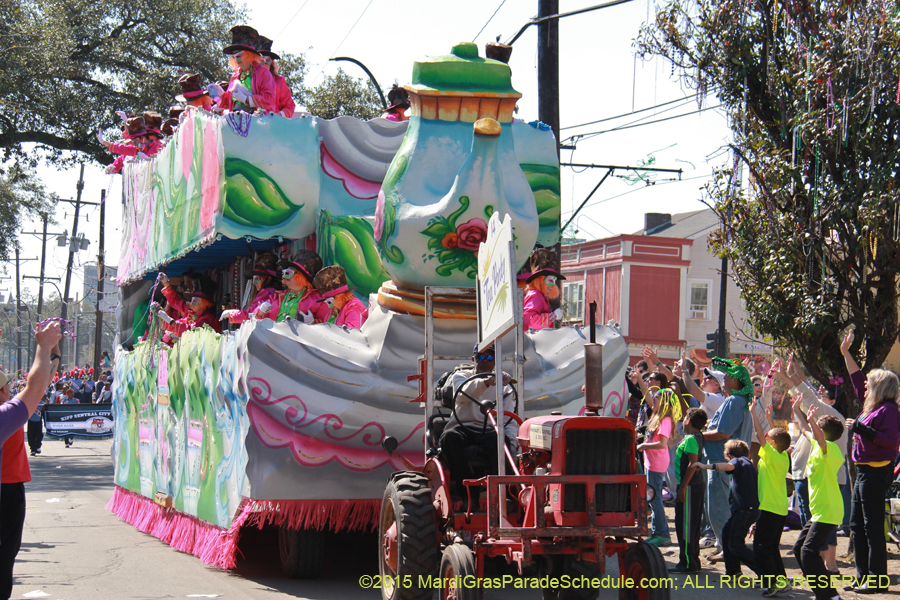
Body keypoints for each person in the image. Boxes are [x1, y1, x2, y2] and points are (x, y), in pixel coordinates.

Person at [0, 323, 61, 599]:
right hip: (9, 489)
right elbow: (37, 387)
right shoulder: (6, 417)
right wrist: (45, 348)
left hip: (9, 486)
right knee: (6, 551)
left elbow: (39, 384)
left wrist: (51, 353)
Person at [840, 330, 899, 594]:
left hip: (876, 473)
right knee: (857, 526)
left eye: (870, 383)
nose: (865, 386)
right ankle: (862, 576)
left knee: (872, 528)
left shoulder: (888, 410)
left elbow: (890, 442)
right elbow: (856, 379)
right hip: (864, 473)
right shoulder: (872, 406)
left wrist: (861, 429)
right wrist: (845, 352)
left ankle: (877, 581)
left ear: (881, 387)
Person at [438, 344, 517, 510]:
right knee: (449, 438)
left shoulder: (505, 386)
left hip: (488, 431)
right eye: (481, 357)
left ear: (495, 361)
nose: (486, 361)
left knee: (502, 441)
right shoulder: (462, 376)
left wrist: (513, 447)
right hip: (463, 428)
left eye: (490, 357)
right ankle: (468, 497)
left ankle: (498, 498)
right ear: (474, 359)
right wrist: (487, 382)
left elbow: (508, 419)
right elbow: (462, 394)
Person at [700, 357, 754, 561]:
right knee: (724, 508)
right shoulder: (740, 402)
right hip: (730, 465)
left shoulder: (733, 402)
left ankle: (727, 549)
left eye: (728, 376)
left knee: (719, 508)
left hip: (721, 463)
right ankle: (724, 546)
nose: (724, 379)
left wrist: (698, 435)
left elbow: (723, 433)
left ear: (736, 381)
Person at [791, 400, 845, 600]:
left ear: (822, 432)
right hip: (819, 510)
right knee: (799, 549)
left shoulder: (830, 449)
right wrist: (797, 410)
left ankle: (830, 595)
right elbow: (806, 429)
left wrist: (813, 420)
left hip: (828, 510)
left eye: (817, 428)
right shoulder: (817, 445)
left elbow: (819, 437)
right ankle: (822, 591)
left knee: (808, 551)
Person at [692, 439, 760, 580]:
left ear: (728, 454)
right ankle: (733, 572)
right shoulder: (749, 464)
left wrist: (706, 466)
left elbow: (729, 466)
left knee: (735, 544)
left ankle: (767, 573)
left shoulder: (738, 461)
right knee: (727, 534)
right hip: (744, 509)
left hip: (745, 510)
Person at [748, 397, 792, 597]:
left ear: (772, 443)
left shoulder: (772, 454)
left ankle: (773, 582)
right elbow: (779, 438)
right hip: (779, 508)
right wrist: (769, 420)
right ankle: (781, 581)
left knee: (761, 547)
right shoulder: (782, 455)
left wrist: (753, 414)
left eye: (769, 437)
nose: (765, 436)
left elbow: (760, 434)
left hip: (769, 508)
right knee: (771, 547)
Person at [633, 372, 680, 546]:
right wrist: (640, 438)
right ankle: (657, 532)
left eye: (657, 398)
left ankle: (663, 534)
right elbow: (652, 436)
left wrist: (644, 446)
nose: (654, 399)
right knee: (652, 498)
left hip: (657, 463)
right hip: (650, 462)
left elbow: (662, 444)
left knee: (655, 499)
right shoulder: (656, 416)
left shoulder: (665, 419)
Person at [670, 407, 707, 574]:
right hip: (694, 485)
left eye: (685, 418)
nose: (683, 421)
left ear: (689, 421)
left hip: (690, 486)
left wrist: (683, 487)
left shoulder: (692, 439)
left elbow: (692, 464)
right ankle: (693, 560)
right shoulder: (697, 436)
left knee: (685, 525)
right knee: (692, 524)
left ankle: (687, 562)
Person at [211, 25, 276, 113]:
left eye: (238, 55)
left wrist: (246, 99)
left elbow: (269, 100)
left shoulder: (263, 72)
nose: (236, 59)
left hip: (256, 119)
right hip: (236, 118)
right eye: (233, 56)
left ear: (248, 54)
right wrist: (221, 94)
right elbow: (230, 103)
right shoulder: (235, 75)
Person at [220, 252, 282, 324]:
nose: (254, 283)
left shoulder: (267, 292)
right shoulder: (277, 292)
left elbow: (251, 315)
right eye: (254, 279)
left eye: (258, 279)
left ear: (268, 279)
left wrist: (232, 314)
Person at [275, 250, 329, 323]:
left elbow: (328, 323)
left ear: (301, 276)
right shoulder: (275, 296)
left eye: (290, 272)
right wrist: (261, 313)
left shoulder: (319, 299)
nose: (286, 276)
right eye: (285, 272)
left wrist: (313, 322)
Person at [523, 248, 565, 331]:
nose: (553, 285)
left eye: (554, 281)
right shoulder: (535, 294)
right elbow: (531, 322)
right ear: (540, 280)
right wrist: (554, 316)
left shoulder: (539, 296)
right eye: (550, 280)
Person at [257, 36, 295, 118]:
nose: (264, 63)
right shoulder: (248, 79)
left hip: (273, 123)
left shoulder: (279, 81)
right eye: (261, 60)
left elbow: (289, 107)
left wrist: (277, 116)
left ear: (272, 63)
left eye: (267, 60)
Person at [27, 392, 44, 456]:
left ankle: (38, 446)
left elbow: (44, 412)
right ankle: (33, 449)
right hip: (31, 421)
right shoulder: (30, 402)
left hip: (38, 421)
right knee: (31, 435)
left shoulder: (42, 403)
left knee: (39, 435)